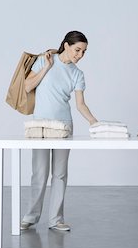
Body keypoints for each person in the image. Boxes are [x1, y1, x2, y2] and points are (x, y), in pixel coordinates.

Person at [21, 31, 98, 231]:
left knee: (60, 174)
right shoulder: (44, 60)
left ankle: (56, 219)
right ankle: (30, 217)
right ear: (66, 45)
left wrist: (95, 122)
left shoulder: (77, 74)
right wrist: (46, 67)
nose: (80, 55)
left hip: (64, 126)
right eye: (77, 50)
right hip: (40, 126)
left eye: (84, 52)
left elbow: (81, 105)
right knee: (39, 173)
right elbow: (28, 86)